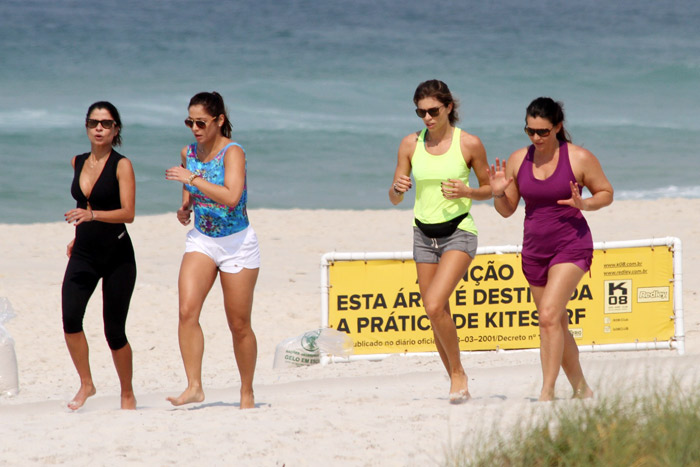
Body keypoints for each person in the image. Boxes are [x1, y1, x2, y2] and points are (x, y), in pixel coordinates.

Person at [488, 97, 614, 401]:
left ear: (557, 127)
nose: (536, 138)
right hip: (534, 250)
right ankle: (582, 389)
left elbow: (606, 193)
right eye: (530, 131)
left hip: (571, 244)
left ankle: (547, 391)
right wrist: (496, 194)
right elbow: (507, 210)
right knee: (556, 322)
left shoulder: (580, 158)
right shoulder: (519, 159)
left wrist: (585, 204)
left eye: (543, 131)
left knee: (547, 316)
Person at [390, 80, 491, 403]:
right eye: (421, 112)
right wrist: (397, 188)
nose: (427, 118)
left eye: (433, 111)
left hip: (459, 230)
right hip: (423, 233)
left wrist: (467, 192)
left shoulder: (469, 144)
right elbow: (394, 197)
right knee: (436, 312)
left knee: (433, 305)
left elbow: (490, 189)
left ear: (449, 107)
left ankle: (458, 372)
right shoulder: (410, 144)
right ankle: (456, 381)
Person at [165, 92, 259, 409]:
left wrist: (192, 177)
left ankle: (247, 391)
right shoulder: (188, 152)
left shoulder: (233, 152)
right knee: (186, 311)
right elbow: (188, 184)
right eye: (189, 121)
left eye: (201, 122)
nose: (194, 128)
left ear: (219, 120)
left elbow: (232, 197)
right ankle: (194, 386)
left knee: (239, 325)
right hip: (202, 239)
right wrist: (185, 206)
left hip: (237, 243)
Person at [62, 101, 137, 410]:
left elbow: (128, 213)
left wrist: (91, 216)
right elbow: (82, 205)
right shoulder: (77, 161)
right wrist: (78, 234)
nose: (99, 128)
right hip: (84, 253)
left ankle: (127, 393)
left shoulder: (122, 165)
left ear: (115, 129)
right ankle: (87, 383)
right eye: (94, 123)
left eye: (106, 123)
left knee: (114, 331)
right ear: (87, 126)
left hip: (118, 255)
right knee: (70, 320)